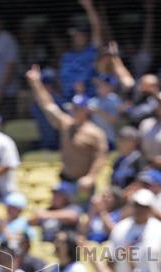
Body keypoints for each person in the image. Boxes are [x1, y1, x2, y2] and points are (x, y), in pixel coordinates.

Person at [25, 65, 107, 195]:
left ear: (86, 110)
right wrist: (36, 83)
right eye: (74, 108)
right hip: (64, 180)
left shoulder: (95, 133)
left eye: (78, 109)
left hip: (83, 184)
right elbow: (48, 105)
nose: (75, 111)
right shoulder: (66, 124)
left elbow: (100, 158)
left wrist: (91, 177)